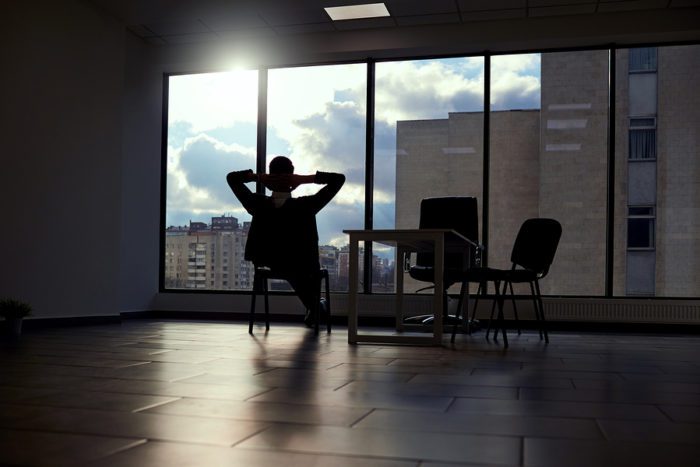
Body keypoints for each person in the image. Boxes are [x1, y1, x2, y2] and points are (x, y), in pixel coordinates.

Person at [226, 156, 345, 327]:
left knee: (291, 267)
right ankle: (316, 307)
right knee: (301, 269)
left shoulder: (257, 204)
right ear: (293, 176)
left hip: (269, 262)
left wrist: (258, 177)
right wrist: (305, 179)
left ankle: (316, 308)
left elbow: (232, 178)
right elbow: (338, 179)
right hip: (302, 265)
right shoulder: (307, 205)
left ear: (269, 175)